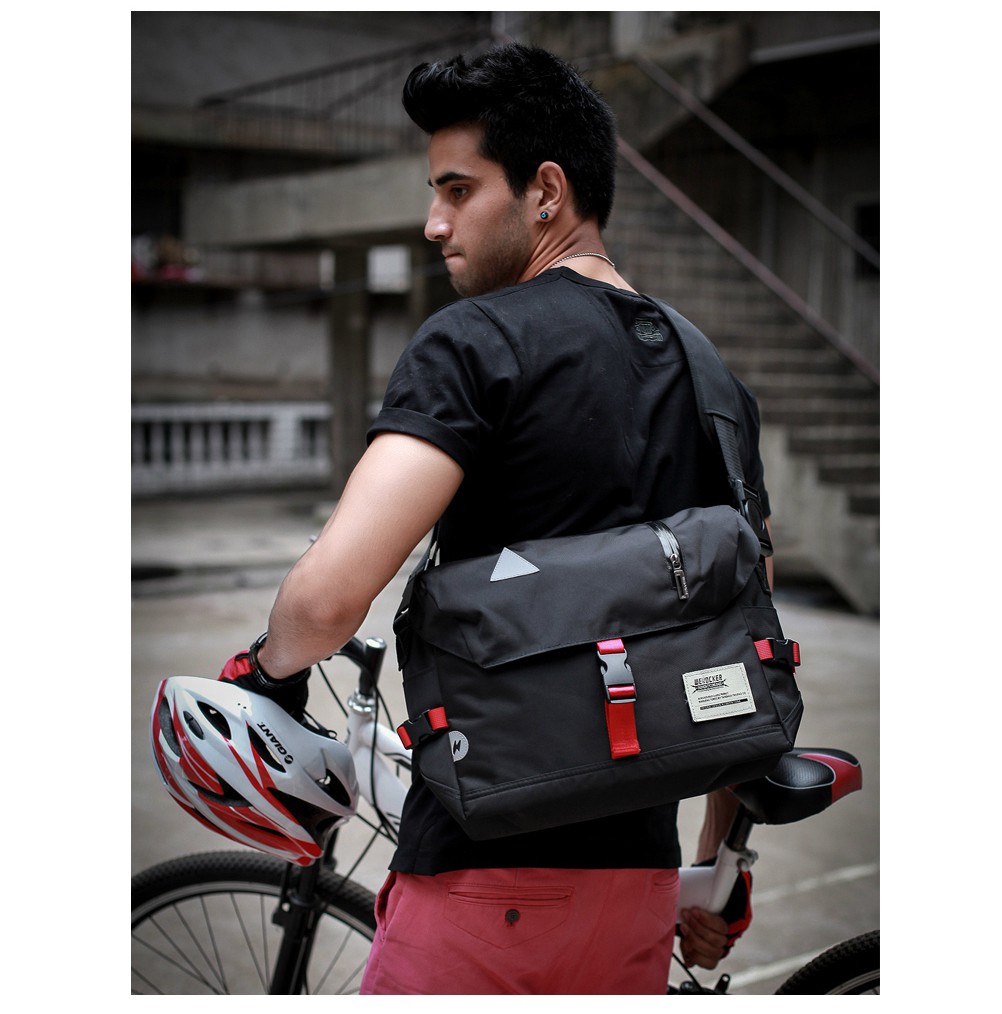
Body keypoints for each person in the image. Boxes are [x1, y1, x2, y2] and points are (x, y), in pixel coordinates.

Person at [218, 42, 767, 994]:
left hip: (479, 891)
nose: (434, 222)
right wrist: (716, 871)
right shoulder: (712, 378)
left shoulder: (475, 343)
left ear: (545, 191)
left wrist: (264, 670)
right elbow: (738, 640)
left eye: (458, 190)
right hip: (636, 893)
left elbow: (328, 601)